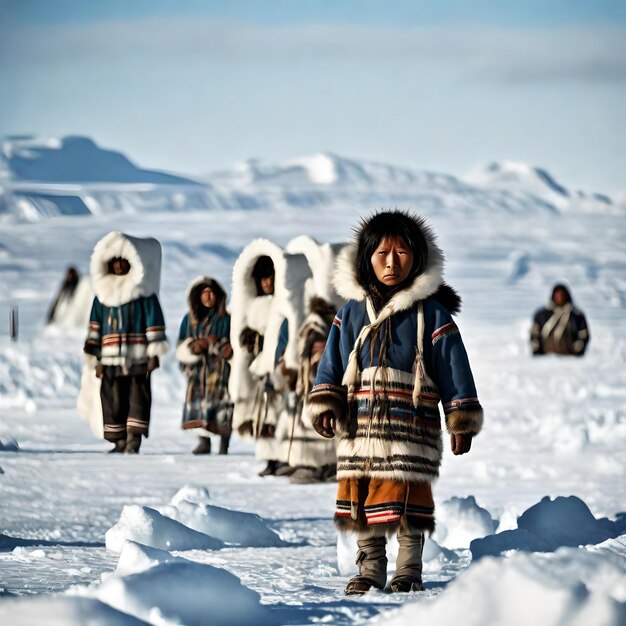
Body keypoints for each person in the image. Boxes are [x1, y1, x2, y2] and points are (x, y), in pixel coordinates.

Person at [307, 211, 483, 595]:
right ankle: (369, 569)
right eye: (382, 253)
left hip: (411, 422)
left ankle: (408, 570)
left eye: (402, 252)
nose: (391, 261)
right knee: (359, 496)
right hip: (359, 423)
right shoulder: (351, 311)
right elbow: (332, 364)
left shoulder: (431, 313)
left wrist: (461, 418)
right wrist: (326, 402)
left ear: (416, 258)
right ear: (366, 258)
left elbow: (453, 366)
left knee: (407, 496)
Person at [83, 232, 168, 453]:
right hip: (109, 358)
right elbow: (95, 329)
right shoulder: (101, 297)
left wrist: (153, 353)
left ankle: (134, 439)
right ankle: (118, 440)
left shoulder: (142, 294)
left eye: (123, 261)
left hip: (137, 356)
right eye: (115, 261)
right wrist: (96, 359)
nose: (119, 265)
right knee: (112, 399)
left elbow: (153, 322)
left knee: (137, 397)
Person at [230, 247, 287, 477]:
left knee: (279, 413)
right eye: (263, 278)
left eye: (270, 278)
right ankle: (269, 459)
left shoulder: (281, 303)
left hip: (278, 363)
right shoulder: (254, 305)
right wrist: (251, 340)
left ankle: (281, 458)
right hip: (259, 366)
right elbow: (249, 332)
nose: (267, 283)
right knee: (263, 414)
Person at [176, 276, 233, 454]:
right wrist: (194, 346)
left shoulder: (226, 319)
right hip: (198, 370)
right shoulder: (190, 319)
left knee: (223, 404)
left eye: (211, 293)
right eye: (204, 293)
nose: (208, 297)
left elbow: (234, 342)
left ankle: (224, 443)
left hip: (220, 370)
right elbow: (181, 344)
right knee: (200, 404)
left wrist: (221, 346)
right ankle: (204, 441)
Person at [530, 284, 590, 356]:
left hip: (571, 359)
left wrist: (578, 348)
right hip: (546, 358)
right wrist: (536, 348)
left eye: (562, 294)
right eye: (557, 294)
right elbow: (534, 333)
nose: (560, 297)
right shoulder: (542, 315)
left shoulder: (576, 315)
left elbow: (583, 334)